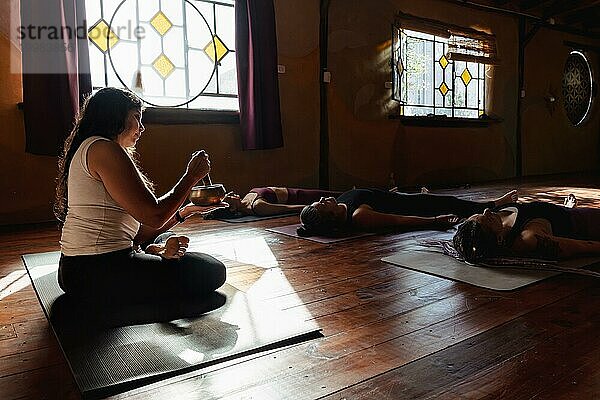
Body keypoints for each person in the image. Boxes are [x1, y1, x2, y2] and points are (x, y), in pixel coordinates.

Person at [54, 87, 227, 304]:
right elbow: (154, 215)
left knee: (160, 239)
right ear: (115, 115)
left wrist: (186, 211)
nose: (142, 128)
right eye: (137, 117)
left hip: (79, 270)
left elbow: (138, 233)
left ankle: (158, 250)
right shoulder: (103, 150)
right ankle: (156, 252)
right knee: (213, 270)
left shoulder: (95, 148)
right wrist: (191, 176)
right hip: (96, 273)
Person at [297, 188, 518, 236]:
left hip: (400, 196)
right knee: (452, 203)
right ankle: (496, 205)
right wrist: (433, 220)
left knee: (450, 200)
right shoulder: (358, 216)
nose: (324, 199)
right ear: (332, 216)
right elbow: (397, 220)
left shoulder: (342, 200)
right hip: (411, 206)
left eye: (320, 201)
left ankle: (495, 204)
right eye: (323, 204)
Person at [453, 195, 600, 262]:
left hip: (562, 212)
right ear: (498, 238)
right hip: (583, 221)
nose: (487, 211)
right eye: (488, 219)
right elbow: (581, 246)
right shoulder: (529, 237)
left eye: (479, 214)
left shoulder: (495, 225)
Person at [218, 187, 343, 217]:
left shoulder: (246, 199)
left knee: (338, 195)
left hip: (294, 191)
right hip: (298, 197)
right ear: (232, 209)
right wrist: (313, 207)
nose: (229, 194)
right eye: (228, 198)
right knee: (340, 197)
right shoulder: (257, 207)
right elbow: (288, 208)